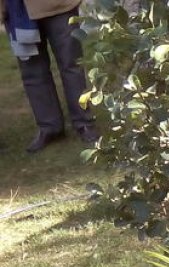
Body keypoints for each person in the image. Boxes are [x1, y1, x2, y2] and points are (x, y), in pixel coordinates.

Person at [2, 0, 98, 153]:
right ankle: (49, 127)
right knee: (32, 73)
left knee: (71, 65)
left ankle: (84, 123)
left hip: (59, 6)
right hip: (17, 10)